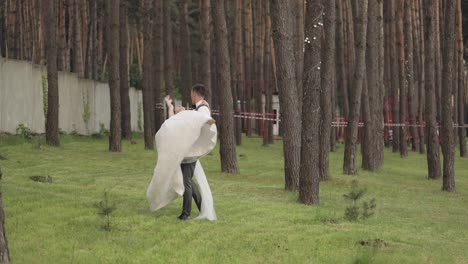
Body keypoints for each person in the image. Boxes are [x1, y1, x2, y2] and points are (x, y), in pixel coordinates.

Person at [164, 84, 211, 220]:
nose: (190, 97)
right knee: (188, 181)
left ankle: (186, 213)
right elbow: (173, 119)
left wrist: (187, 113)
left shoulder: (202, 109)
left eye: (191, 94)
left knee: (186, 182)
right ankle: (202, 206)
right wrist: (170, 106)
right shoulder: (195, 111)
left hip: (191, 152)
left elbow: (205, 124)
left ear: (195, 94)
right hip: (186, 152)